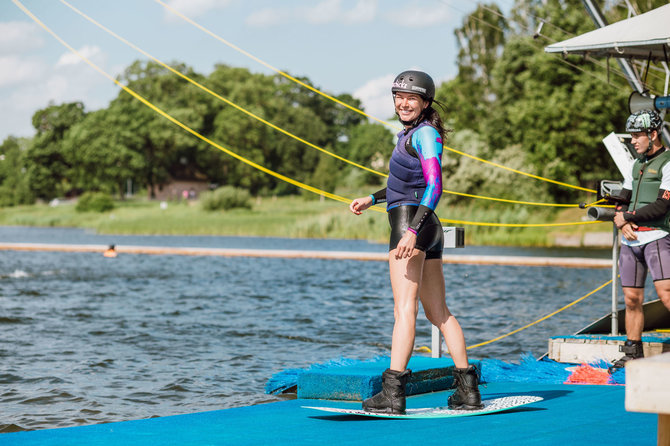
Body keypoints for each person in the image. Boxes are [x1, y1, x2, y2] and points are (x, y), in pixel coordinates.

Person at [349, 70, 482, 414]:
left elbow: (435, 186)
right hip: (426, 226)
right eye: (399, 97)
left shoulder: (425, 135)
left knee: (404, 310)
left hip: (413, 225)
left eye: (411, 98)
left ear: (425, 103)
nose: (403, 103)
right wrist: (371, 198)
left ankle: (393, 393)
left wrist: (410, 232)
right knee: (438, 313)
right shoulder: (410, 134)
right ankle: (467, 392)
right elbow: (402, 185)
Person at [611, 109, 670, 371]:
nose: (633, 141)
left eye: (637, 136)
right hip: (631, 240)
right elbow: (622, 199)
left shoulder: (668, 162)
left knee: (666, 295)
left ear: (653, 134)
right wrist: (620, 218)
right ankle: (633, 353)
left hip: (657, 237)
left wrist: (627, 217)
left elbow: (662, 206)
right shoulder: (636, 164)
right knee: (631, 300)